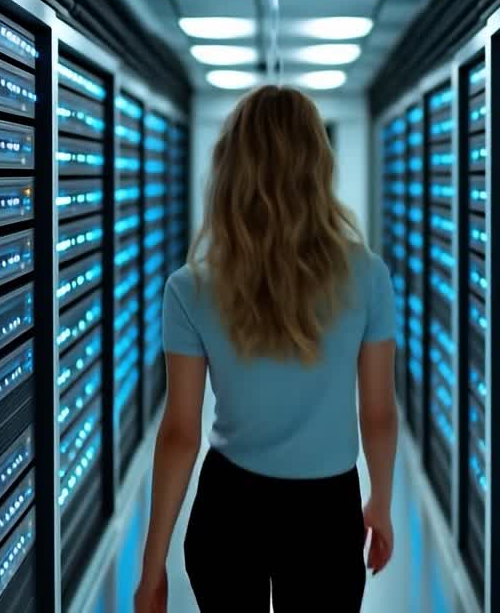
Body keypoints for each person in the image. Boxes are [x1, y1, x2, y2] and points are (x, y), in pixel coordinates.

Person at [133, 86, 399, 612]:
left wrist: (152, 565)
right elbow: (378, 413)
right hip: (326, 509)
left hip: (229, 508)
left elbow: (181, 433)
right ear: (317, 165)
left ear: (231, 168)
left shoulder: (190, 288)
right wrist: (381, 505)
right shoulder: (368, 276)